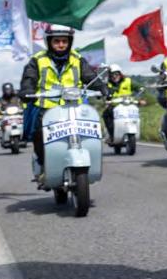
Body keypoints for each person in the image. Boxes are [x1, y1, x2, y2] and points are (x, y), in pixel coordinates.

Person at [19, 24, 104, 172]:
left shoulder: (78, 59)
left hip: (74, 107)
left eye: (64, 41)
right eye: (56, 41)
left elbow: (90, 76)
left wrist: (102, 87)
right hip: (47, 108)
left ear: (69, 42)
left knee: (91, 131)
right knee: (38, 134)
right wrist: (27, 90)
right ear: (49, 42)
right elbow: (29, 78)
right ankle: (43, 163)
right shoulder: (37, 60)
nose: (61, 44)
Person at [103, 64, 133, 136]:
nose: (114, 76)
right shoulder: (107, 84)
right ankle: (112, 134)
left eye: (116, 74)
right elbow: (102, 92)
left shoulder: (128, 81)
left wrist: (142, 99)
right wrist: (105, 98)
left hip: (127, 105)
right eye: (112, 75)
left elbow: (140, 88)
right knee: (106, 114)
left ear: (120, 74)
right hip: (113, 106)